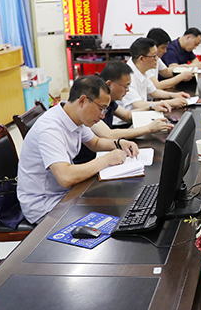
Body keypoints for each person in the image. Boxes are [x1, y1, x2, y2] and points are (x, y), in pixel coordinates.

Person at [17, 76, 139, 224]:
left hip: (65, 194)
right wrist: (107, 159)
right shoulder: (50, 129)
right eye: (101, 108)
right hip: (45, 205)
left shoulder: (73, 117)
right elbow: (66, 177)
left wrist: (119, 143)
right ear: (82, 101)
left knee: (119, 205)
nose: (102, 116)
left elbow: (95, 142)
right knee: (113, 217)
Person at [120, 38, 190, 115]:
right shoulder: (128, 75)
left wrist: (174, 95)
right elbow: (138, 104)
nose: (157, 58)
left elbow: (154, 92)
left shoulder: (141, 69)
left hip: (141, 114)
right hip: (129, 120)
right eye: (154, 56)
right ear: (142, 59)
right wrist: (171, 102)